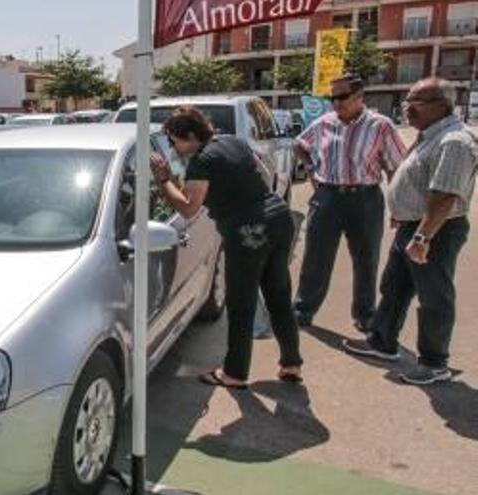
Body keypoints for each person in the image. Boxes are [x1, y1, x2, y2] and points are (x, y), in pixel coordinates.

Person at [150, 107, 303, 388]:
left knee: (241, 302)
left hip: (248, 230)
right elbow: (263, 171)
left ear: (192, 136)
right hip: (278, 218)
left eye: (174, 141)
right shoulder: (232, 141)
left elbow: (187, 207)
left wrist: (163, 180)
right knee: (278, 293)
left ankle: (234, 373)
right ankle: (291, 363)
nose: (173, 148)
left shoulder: (202, 160)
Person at [344, 79, 477, 385]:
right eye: (406, 101)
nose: (408, 108)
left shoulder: (454, 141)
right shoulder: (430, 135)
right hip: (413, 225)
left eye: (416, 102)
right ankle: (382, 341)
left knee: (434, 296)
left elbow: (444, 195)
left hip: (435, 230)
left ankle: (434, 361)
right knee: (395, 286)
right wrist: (403, 215)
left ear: (442, 104)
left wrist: (422, 236)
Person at [293, 75, 407, 331]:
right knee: (316, 257)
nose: (336, 102)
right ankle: (303, 309)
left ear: (359, 96)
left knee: (366, 259)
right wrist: (312, 170)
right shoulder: (324, 123)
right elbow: (299, 144)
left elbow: (396, 168)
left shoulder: (381, 126)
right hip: (328, 197)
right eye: (332, 97)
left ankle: (365, 314)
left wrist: (398, 206)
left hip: (365, 198)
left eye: (342, 96)